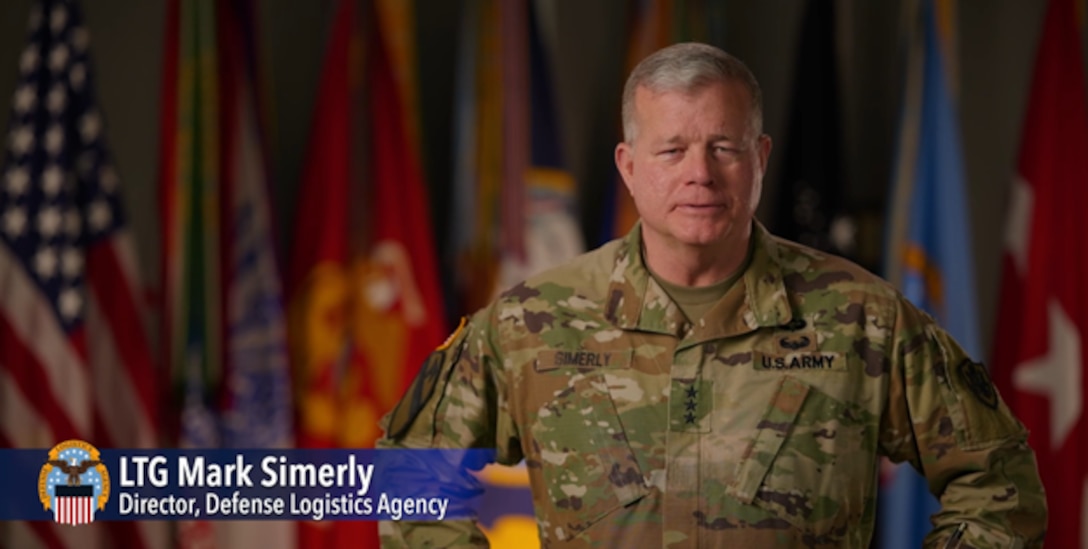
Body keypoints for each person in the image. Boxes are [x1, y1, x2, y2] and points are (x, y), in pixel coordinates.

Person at [377, 42, 1046, 548]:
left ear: (759, 157)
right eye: (671, 150)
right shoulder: (530, 323)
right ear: (628, 166)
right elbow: (409, 477)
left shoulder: (865, 319)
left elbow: (1000, 484)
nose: (699, 173)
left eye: (722, 147)